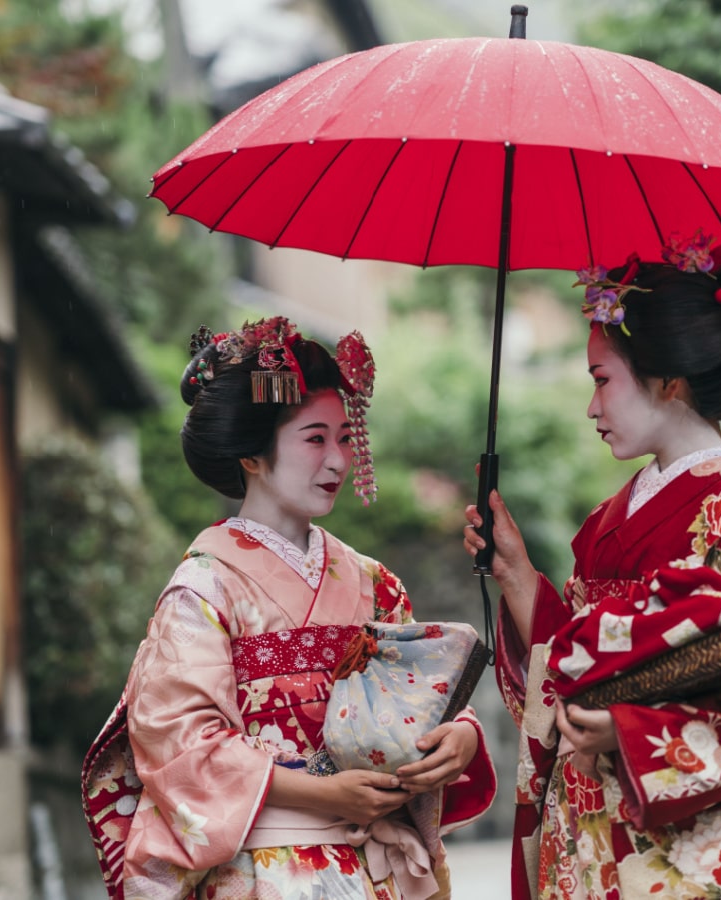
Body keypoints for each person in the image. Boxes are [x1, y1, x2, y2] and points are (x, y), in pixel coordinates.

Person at [462, 233, 721, 900]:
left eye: (602, 380)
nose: (592, 406)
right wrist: (515, 575)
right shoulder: (611, 520)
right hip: (596, 828)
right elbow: (580, 660)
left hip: (689, 848)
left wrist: (629, 731)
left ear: (668, 379)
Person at [83, 316, 497, 900]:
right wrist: (321, 794)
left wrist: (462, 735)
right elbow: (180, 745)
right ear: (251, 454)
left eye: (345, 438)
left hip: (373, 865)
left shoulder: (373, 582)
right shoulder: (204, 585)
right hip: (258, 867)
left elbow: (418, 696)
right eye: (314, 438)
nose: (337, 461)